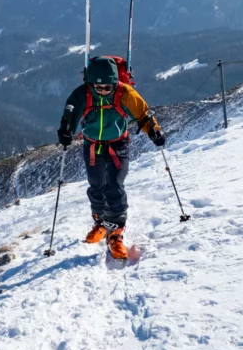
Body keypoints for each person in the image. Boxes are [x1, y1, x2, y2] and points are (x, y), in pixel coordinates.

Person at [57, 56, 166, 259]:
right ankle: (100, 223)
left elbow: (142, 113)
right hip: (92, 146)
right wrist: (66, 131)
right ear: (90, 83)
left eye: (108, 87)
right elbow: (70, 115)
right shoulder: (83, 94)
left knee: (114, 185)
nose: (103, 91)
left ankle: (115, 234)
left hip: (118, 145)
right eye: (98, 87)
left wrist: (154, 132)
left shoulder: (124, 92)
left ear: (115, 83)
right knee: (96, 184)